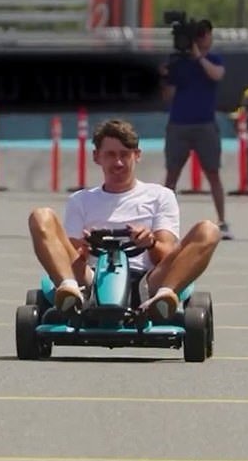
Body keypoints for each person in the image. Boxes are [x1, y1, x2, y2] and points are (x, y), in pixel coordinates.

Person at [28, 117, 220, 322]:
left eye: (124, 155)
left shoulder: (160, 196)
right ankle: (69, 291)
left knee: (208, 229)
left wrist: (150, 242)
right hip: (91, 278)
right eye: (110, 155)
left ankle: (165, 297)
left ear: (136, 155)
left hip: (146, 281)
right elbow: (72, 254)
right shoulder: (81, 200)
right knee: (41, 216)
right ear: (97, 156)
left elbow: (166, 254)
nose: (118, 163)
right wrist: (85, 247)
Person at [161, 18, 231, 239]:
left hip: (204, 125)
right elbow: (168, 96)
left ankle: (222, 220)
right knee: (172, 175)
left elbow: (217, 74)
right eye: (200, 35)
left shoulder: (213, 59)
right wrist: (165, 77)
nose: (204, 39)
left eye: (205, 35)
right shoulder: (179, 63)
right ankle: (163, 223)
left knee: (213, 173)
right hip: (179, 124)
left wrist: (198, 57)